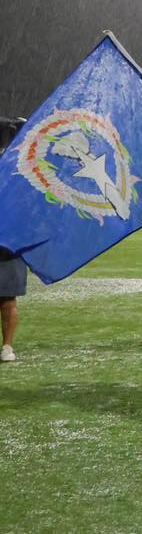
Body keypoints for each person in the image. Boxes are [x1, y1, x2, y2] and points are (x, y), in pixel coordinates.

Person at [0, 117, 26, 362]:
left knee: (8, 298)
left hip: (8, 241)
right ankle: (7, 347)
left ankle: (7, 347)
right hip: (11, 240)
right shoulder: (15, 165)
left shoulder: (14, 166)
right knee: (8, 299)